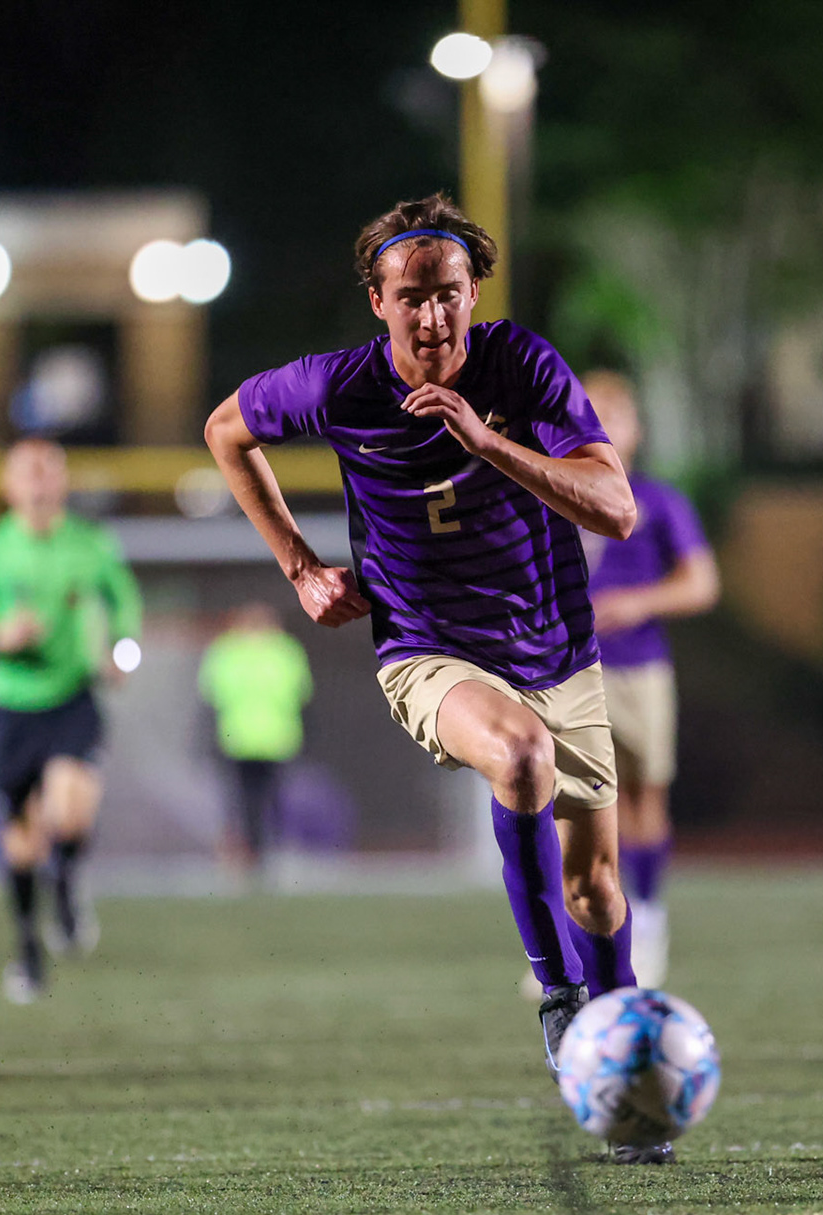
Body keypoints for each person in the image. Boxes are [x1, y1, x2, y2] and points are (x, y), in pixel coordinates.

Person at [201, 193, 661, 1157]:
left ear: (474, 292)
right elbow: (224, 432)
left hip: (556, 648)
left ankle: (624, 1073)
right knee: (520, 757)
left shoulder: (522, 365)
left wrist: (490, 441)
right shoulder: (335, 388)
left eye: (449, 294)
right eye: (411, 297)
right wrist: (298, 565)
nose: (432, 316)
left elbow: (616, 510)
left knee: (600, 894)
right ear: (377, 301)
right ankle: (559, 997)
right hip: (428, 651)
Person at [0, 439, 143, 1004]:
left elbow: (124, 604)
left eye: (47, 471)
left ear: (63, 483)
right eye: (25, 472)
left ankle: (71, 880)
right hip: (11, 705)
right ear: (7, 486)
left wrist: (122, 651)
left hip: (73, 696)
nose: (36, 481)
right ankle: (28, 949)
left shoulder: (90, 544)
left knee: (72, 809)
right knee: (23, 840)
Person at [579, 369, 720, 986]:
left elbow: (701, 584)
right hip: (568, 673)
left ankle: (650, 922)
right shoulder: (550, 494)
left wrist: (638, 602)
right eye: (591, 410)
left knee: (641, 801)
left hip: (639, 670)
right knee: (575, 807)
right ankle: (575, 939)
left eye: (616, 411)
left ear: (636, 428)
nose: (605, 421)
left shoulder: (660, 501)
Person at [199, 602, 314, 876]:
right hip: (274, 738)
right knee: (267, 799)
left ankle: (254, 854)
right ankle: (265, 853)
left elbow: (211, 693)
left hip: (240, 738)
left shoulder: (226, 651)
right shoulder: (285, 651)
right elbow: (301, 692)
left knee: (245, 800)